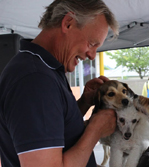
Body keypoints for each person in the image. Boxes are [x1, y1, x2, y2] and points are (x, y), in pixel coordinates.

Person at [0, 0, 119, 167]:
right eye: (91, 44)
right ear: (68, 23)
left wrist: (84, 102)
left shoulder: (46, 69)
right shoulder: (35, 79)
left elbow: (55, 129)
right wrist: (95, 130)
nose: (92, 55)